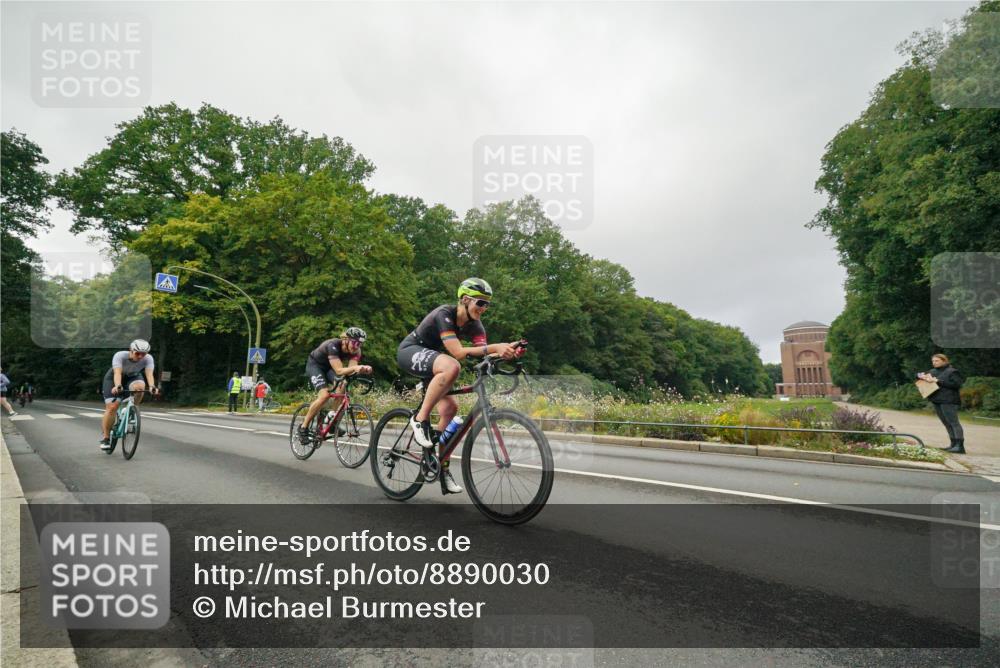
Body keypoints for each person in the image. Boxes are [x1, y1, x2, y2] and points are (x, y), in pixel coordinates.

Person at [396, 278, 521, 494]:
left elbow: (484, 353)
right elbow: (458, 353)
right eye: (480, 303)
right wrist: (496, 347)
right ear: (464, 299)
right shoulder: (444, 314)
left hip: (434, 362)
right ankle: (419, 419)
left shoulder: (476, 325)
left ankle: (440, 466)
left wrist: (508, 352)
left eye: (487, 304)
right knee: (452, 365)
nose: (484, 309)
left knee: (450, 410)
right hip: (411, 351)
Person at [298, 327, 372, 441]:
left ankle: (331, 418)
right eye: (354, 342)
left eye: (360, 344)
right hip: (316, 366)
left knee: (343, 384)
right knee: (324, 396)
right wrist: (356, 367)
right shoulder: (333, 345)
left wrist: (363, 369)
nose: (356, 346)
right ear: (346, 339)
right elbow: (339, 370)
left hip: (330, 368)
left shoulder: (356, 351)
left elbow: (351, 369)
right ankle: (303, 427)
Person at [100, 340, 158, 451]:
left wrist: (152, 386)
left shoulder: (148, 358)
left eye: (144, 354)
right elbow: (117, 373)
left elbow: (149, 374)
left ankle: (132, 410)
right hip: (115, 377)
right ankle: (106, 438)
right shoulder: (120, 356)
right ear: (131, 350)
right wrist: (117, 386)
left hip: (133, 376)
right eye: (137, 353)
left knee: (140, 388)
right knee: (112, 407)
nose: (141, 356)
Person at [918, 353, 966, 454]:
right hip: (937, 400)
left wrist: (939, 381)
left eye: (937, 361)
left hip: (949, 400)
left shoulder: (952, 371)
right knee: (946, 423)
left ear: (944, 361)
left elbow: (957, 385)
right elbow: (921, 377)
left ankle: (960, 446)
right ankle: (953, 445)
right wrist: (921, 376)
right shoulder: (932, 371)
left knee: (953, 422)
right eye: (933, 361)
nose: (934, 363)